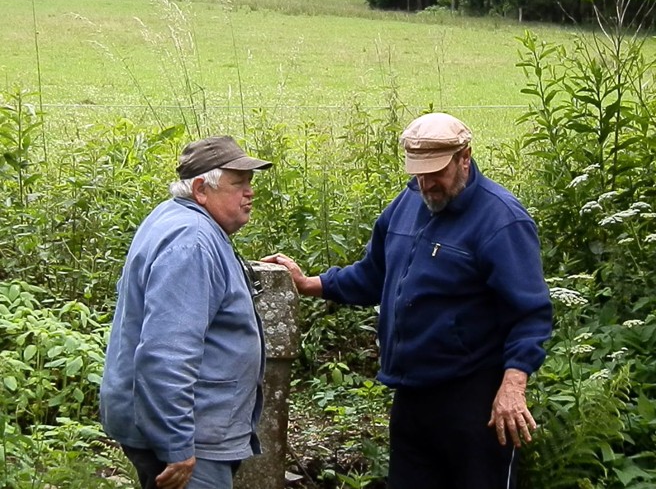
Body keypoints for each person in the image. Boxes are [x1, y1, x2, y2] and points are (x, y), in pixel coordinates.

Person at [263, 113, 552, 489]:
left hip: (474, 398)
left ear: (464, 157)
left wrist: (513, 387)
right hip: (412, 394)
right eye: (419, 173)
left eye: (436, 172)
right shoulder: (407, 203)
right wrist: (311, 283)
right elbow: (373, 274)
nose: (427, 184)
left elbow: (530, 314)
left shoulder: (502, 221)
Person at [100, 135, 272, 489]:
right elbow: (168, 352)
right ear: (200, 189)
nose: (249, 192)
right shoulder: (191, 242)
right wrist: (177, 444)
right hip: (192, 435)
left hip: (185, 427)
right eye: (238, 183)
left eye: (250, 182)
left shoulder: (177, 219)